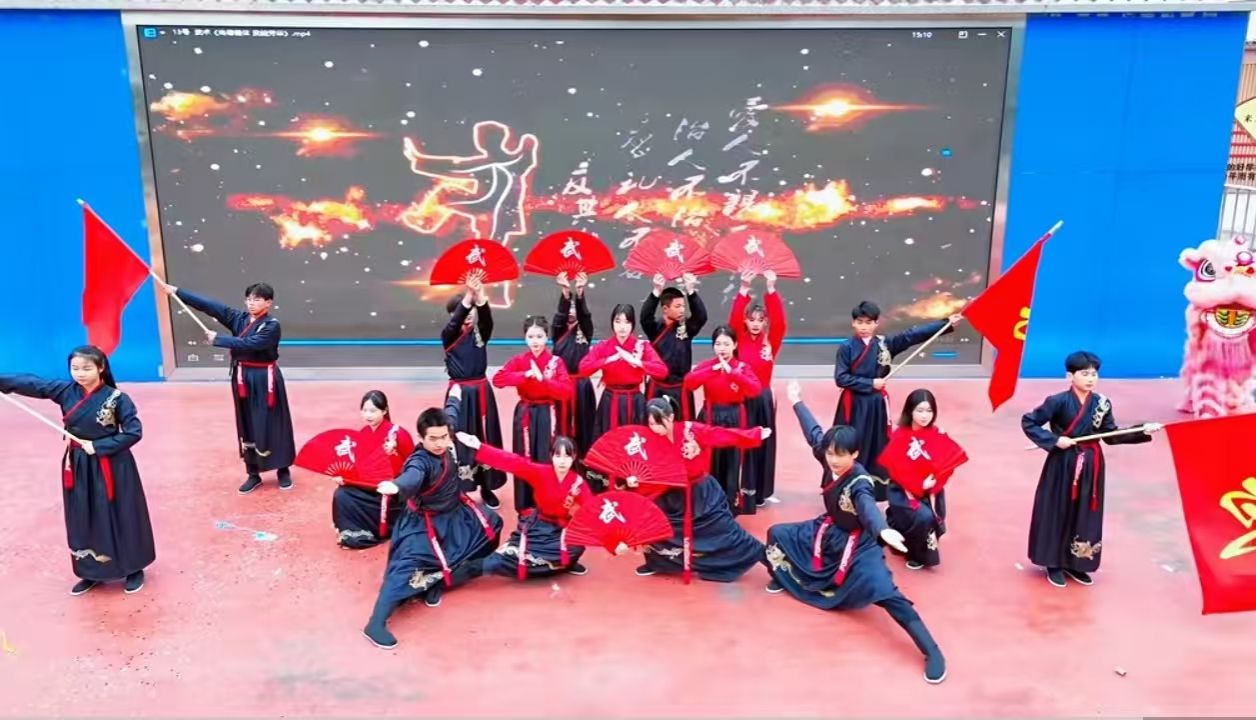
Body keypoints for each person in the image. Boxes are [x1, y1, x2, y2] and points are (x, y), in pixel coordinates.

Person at [763, 381, 946, 685]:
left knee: (886, 592)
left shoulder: (860, 482)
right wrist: (796, 401)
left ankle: (932, 650)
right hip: (828, 529)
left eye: (840, 455)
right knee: (776, 534)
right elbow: (813, 432)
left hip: (860, 542)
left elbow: (867, 508)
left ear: (855, 454)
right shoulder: (828, 457)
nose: (833, 460)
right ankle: (787, 576)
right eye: (830, 454)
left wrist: (883, 531)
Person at [0, 346, 156, 595]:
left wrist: (99, 446)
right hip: (79, 463)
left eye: (86, 368)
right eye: (75, 368)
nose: (80, 373)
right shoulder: (65, 391)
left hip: (113, 464)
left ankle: (133, 568)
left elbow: (134, 432)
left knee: (122, 512)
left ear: (101, 368)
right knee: (83, 513)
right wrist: (3, 382)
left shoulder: (118, 398)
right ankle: (90, 570)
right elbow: (32, 383)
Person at [363, 386, 504, 649]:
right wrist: (397, 486)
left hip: (456, 514)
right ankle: (375, 623)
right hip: (424, 524)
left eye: (444, 437)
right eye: (433, 439)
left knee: (493, 525)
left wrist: (456, 395)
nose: (440, 443)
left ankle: (438, 582)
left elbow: (452, 411)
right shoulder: (420, 461)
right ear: (421, 437)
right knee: (403, 571)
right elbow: (411, 477)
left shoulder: (445, 432)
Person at [1022, 351, 1161, 588]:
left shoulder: (1101, 404)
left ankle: (1077, 562)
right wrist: (1054, 440)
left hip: (1091, 464)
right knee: (1057, 508)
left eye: (1094, 374)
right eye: (1084, 374)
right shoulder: (1057, 401)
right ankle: (1053, 563)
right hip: (1063, 462)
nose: (1090, 379)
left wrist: (1141, 430)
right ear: (1070, 376)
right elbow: (1029, 421)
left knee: (1086, 511)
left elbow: (1111, 436)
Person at [162, 281, 296, 494]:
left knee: (273, 421)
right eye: (249, 299)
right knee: (247, 422)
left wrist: (220, 340)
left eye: (257, 299)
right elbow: (210, 306)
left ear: (268, 303)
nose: (251, 303)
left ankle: (283, 469)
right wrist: (178, 292)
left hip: (265, 378)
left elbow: (253, 343)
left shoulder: (271, 325)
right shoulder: (238, 318)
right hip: (242, 377)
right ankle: (253, 473)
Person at [833, 301, 961, 501]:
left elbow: (911, 335)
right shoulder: (846, 347)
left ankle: (872, 490)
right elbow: (841, 378)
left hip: (877, 405)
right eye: (860, 322)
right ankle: (847, 489)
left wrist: (945, 324)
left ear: (876, 323)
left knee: (877, 444)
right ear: (853, 323)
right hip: (855, 405)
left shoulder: (884, 345)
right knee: (853, 444)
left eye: (869, 322)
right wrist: (870, 383)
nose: (864, 327)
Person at [634, 396, 768, 581]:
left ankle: (764, 556)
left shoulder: (690, 431)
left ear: (671, 417)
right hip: (669, 494)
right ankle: (657, 563)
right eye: (651, 424)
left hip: (700, 493)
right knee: (659, 528)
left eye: (659, 423)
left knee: (725, 529)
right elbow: (644, 470)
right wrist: (633, 481)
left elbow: (720, 434)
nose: (655, 428)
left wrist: (753, 434)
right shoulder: (646, 442)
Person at [456, 433, 594, 579]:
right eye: (558, 456)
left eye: (567, 456)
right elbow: (515, 462)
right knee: (501, 560)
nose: (562, 461)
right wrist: (480, 446)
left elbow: (592, 510)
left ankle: (565, 563)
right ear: (551, 456)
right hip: (539, 527)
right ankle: (458, 574)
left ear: (574, 457)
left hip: (561, 530)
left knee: (576, 548)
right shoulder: (541, 472)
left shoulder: (578, 484)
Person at [577, 303, 668, 489]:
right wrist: (607, 360)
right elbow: (583, 368)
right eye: (618, 321)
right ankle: (607, 483)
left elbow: (662, 371)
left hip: (634, 401)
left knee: (635, 442)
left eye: (627, 322)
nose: (622, 327)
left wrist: (638, 362)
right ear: (612, 323)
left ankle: (635, 483)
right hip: (610, 400)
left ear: (632, 324)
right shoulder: (604, 346)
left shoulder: (641, 346)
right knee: (609, 443)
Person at [492, 315, 572, 512]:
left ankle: (548, 504)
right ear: (525, 338)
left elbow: (566, 391)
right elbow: (498, 379)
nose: (535, 341)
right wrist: (525, 375)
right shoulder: (520, 361)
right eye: (530, 337)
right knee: (523, 458)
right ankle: (525, 505)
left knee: (546, 456)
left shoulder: (556, 362)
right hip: (525, 413)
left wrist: (544, 380)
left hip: (547, 414)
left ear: (547, 338)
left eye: (539, 336)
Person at [441, 270, 507, 509]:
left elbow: (487, 319)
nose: (468, 316)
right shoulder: (448, 335)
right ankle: (460, 490)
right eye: (462, 312)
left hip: (481, 393)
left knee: (485, 437)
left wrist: (479, 296)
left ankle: (487, 487)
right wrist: (468, 296)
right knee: (459, 440)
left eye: (471, 312)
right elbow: (455, 322)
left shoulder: (480, 333)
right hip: (460, 395)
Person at [684, 326, 763, 514]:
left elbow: (755, 389)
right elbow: (689, 383)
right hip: (710, 416)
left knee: (732, 462)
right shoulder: (708, 365)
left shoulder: (742, 368)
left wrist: (732, 373)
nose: (722, 348)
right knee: (708, 461)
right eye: (718, 344)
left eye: (726, 344)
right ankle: (707, 503)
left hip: (734, 417)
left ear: (735, 345)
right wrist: (713, 370)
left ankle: (730, 504)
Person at [730, 269, 786, 508]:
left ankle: (763, 490)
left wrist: (771, 289)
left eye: (760, 320)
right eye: (751, 319)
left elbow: (780, 322)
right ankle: (741, 488)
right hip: (742, 398)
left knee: (765, 443)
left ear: (765, 322)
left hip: (763, 398)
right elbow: (732, 320)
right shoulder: (737, 341)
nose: (755, 324)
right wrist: (744, 287)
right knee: (743, 443)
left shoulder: (770, 342)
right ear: (745, 321)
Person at [332, 391, 416, 549]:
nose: (368, 415)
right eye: (364, 410)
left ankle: (382, 527)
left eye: (373, 411)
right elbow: (358, 467)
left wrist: (396, 453)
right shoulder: (363, 433)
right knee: (342, 494)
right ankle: (354, 533)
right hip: (370, 486)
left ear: (384, 411)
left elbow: (414, 465)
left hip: (394, 491)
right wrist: (344, 478)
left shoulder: (399, 434)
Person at [884, 389, 951, 570]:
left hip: (930, 488)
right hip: (902, 490)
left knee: (935, 512)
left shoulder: (937, 433)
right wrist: (920, 484)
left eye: (929, 411)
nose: (924, 416)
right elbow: (896, 471)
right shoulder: (899, 437)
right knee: (924, 517)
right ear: (910, 411)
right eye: (920, 410)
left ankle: (918, 542)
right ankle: (916, 552)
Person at [641, 272, 707, 419]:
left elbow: (701, 317)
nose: (682, 310)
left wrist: (691, 291)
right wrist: (657, 290)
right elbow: (645, 317)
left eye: (683, 306)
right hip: (657, 387)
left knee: (682, 426)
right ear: (665, 309)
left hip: (680, 387)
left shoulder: (686, 328)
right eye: (677, 306)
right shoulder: (655, 329)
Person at [551, 271, 596, 459]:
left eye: (574, 308)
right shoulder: (558, 331)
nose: (571, 312)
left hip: (581, 386)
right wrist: (565, 292)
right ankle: (561, 456)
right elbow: (559, 318)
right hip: (561, 385)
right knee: (561, 424)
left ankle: (583, 459)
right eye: (568, 308)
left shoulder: (585, 330)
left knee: (583, 423)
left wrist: (580, 292)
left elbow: (585, 316)